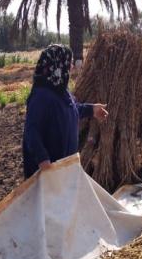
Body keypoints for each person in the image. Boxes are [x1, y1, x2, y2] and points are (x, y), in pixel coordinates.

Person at [22, 44, 109, 179]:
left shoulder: (61, 91)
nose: (72, 67)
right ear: (57, 66)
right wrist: (43, 159)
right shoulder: (41, 96)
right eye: (69, 63)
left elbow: (72, 109)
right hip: (47, 173)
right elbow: (31, 131)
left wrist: (92, 109)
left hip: (63, 167)